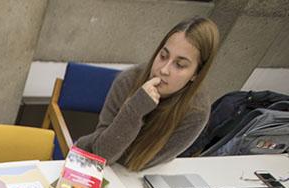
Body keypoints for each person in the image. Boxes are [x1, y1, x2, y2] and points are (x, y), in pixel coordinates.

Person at [75, 17, 220, 171]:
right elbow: (101, 154)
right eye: (163, 56)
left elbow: (139, 163)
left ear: (196, 74)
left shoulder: (196, 112)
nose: (164, 69)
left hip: (134, 178)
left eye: (180, 65)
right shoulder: (128, 80)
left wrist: (103, 141)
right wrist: (135, 109)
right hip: (94, 168)